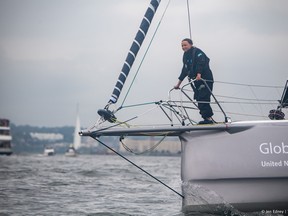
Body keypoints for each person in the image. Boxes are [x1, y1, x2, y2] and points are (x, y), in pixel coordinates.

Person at [174, 38, 214, 124]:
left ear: (191, 44)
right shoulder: (185, 56)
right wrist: (178, 84)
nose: (183, 47)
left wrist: (199, 74)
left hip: (205, 79)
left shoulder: (197, 52)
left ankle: (209, 119)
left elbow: (201, 62)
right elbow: (184, 70)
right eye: (182, 45)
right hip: (197, 81)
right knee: (198, 98)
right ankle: (207, 118)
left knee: (203, 98)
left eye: (185, 45)